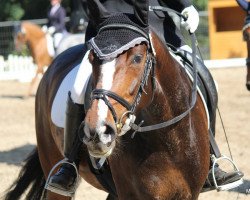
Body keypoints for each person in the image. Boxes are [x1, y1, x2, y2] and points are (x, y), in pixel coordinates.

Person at [46, 0, 244, 196]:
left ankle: (210, 158)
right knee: (78, 86)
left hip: (158, 27)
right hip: (108, 29)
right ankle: (70, 163)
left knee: (203, 75)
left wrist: (184, 6)